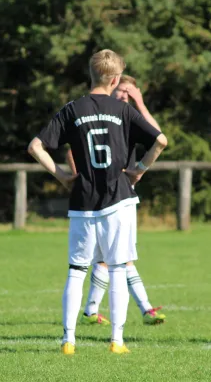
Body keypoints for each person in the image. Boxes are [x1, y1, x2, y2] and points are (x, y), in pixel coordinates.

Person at [28, 50, 168, 355]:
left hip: (83, 200)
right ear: (115, 79)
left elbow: (35, 146)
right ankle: (117, 341)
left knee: (77, 271)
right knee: (118, 268)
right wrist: (140, 169)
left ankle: (68, 340)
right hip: (117, 199)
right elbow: (161, 140)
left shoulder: (71, 109)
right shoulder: (122, 109)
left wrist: (62, 175)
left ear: (90, 75)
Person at [65, 75, 166, 326]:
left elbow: (159, 136)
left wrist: (139, 104)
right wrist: (76, 176)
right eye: (121, 90)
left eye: (130, 93)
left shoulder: (125, 115)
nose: (124, 96)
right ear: (111, 85)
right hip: (107, 195)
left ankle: (90, 310)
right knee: (116, 259)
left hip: (118, 192)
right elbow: (70, 147)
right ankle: (144, 310)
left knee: (106, 259)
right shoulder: (105, 115)